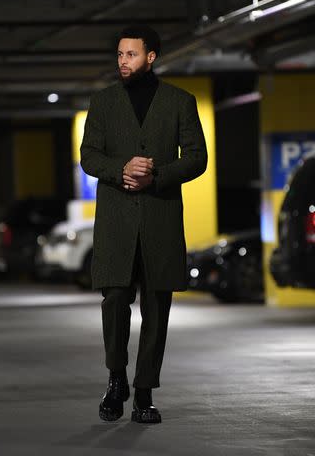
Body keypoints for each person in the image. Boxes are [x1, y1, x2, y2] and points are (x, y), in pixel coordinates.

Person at [80, 25, 208, 424]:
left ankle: (145, 394)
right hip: (116, 221)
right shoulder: (102, 103)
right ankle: (116, 378)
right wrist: (122, 169)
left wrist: (158, 175)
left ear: (151, 57)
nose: (123, 61)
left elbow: (197, 158)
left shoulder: (179, 102)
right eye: (119, 54)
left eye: (131, 55)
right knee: (115, 301)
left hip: (160, 219)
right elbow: (88, 156)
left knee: (157, 308)